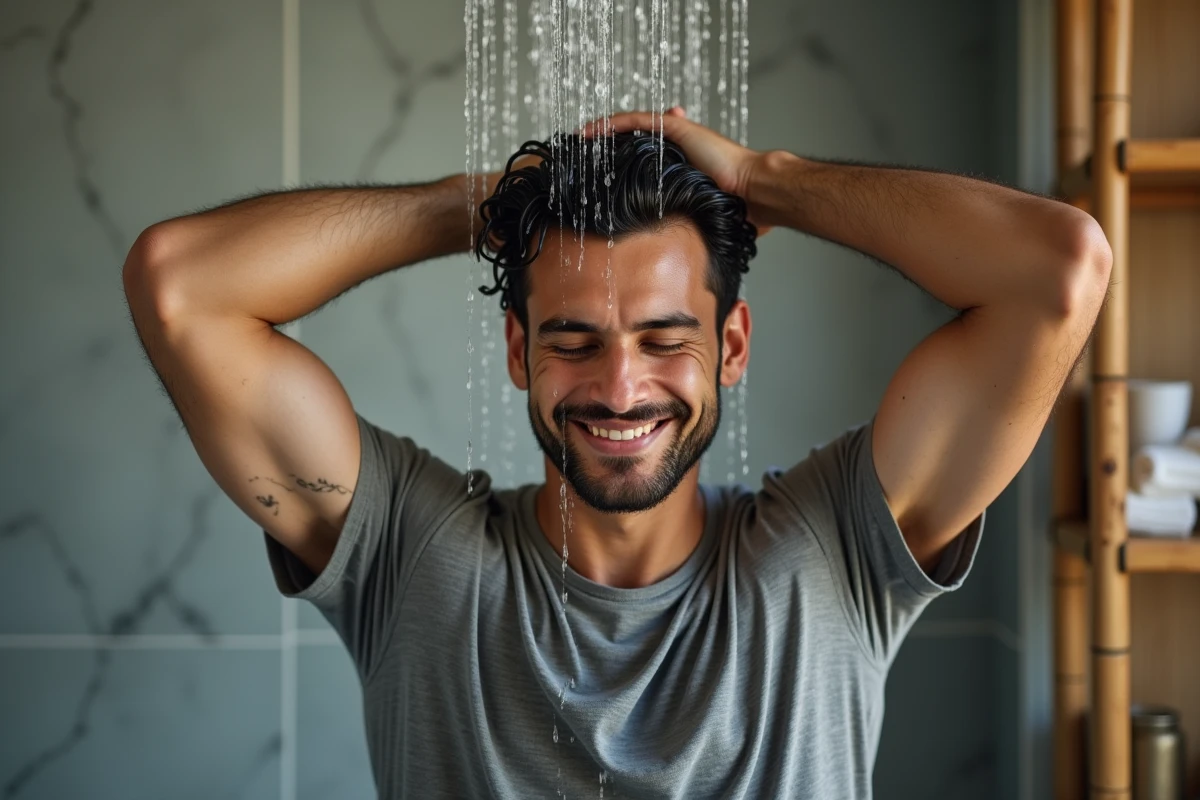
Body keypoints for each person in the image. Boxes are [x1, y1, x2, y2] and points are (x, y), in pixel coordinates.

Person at [122, 107, 1111, 799]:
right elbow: (180, 286)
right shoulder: (413, 557)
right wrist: (489, 206)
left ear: (730, 346)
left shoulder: (836, 554)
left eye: (665, 337)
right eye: (573, 339)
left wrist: (770, 180)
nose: (621, 386)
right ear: (518, 351)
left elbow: (1060, 269)